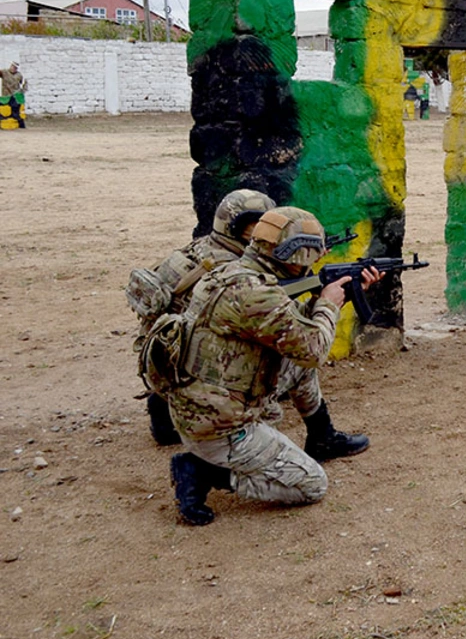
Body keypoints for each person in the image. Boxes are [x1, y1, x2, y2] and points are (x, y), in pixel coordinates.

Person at [166, 206, 381, 526]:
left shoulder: (236, 271)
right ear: (294, 254)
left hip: (202, 399)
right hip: (217, 426)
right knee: (311, 485)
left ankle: (322, 436)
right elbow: (313, 350)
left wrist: (340, 297)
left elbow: (291, 333)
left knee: (297, 366)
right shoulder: (256, 293)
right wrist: (328, 304)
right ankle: (203, 472)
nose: (315, 261)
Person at [127, 189, 276, 446]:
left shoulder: (198, 250)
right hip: (192, 377)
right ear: (238, 228)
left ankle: (163, 407)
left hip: (161, 363)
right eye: (257, 225)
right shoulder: (230, 272)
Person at [1, 62, 28, 128]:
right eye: (12, 66)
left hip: (15, 96)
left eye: (15, 68)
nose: (13, 68)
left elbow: (24, 84)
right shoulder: (4, 72)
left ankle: (21, 125)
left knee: (16, 112)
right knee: (4, 111)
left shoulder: (19, 75)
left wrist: (22, 92)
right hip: (6, 95)